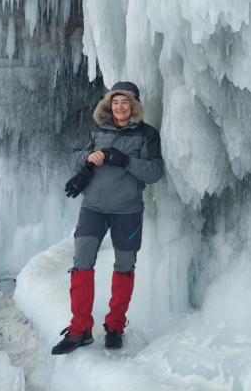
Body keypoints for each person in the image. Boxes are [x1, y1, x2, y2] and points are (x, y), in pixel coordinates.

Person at [51, 82, 164, 354]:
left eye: (125, 102)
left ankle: (114, 326)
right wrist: (88, 157)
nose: (120, 107)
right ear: (109, 105)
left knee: (124, 265)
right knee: (81, 261)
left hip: (127, 210)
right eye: (115, 102)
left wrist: (126, 161)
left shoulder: (147, 134)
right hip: (93, 207)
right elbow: (74, 157)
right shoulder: (97, 130)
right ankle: (80, 330)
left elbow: (155, 171)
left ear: (134, 105)